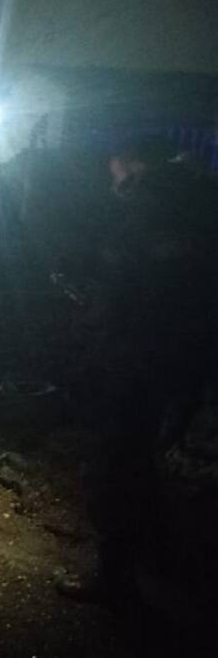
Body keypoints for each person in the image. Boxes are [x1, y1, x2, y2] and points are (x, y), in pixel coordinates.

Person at [56, 138, 218, 606]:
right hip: (180, 363)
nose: (113, 185)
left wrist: (96, 319)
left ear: (130, 167)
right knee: (145, 463)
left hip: (134, 363)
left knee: (116, 468)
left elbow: (124, 289)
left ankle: (116, 578)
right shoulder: (198, 210)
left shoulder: (146, 209)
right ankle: (165, 564)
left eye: (114, 176)